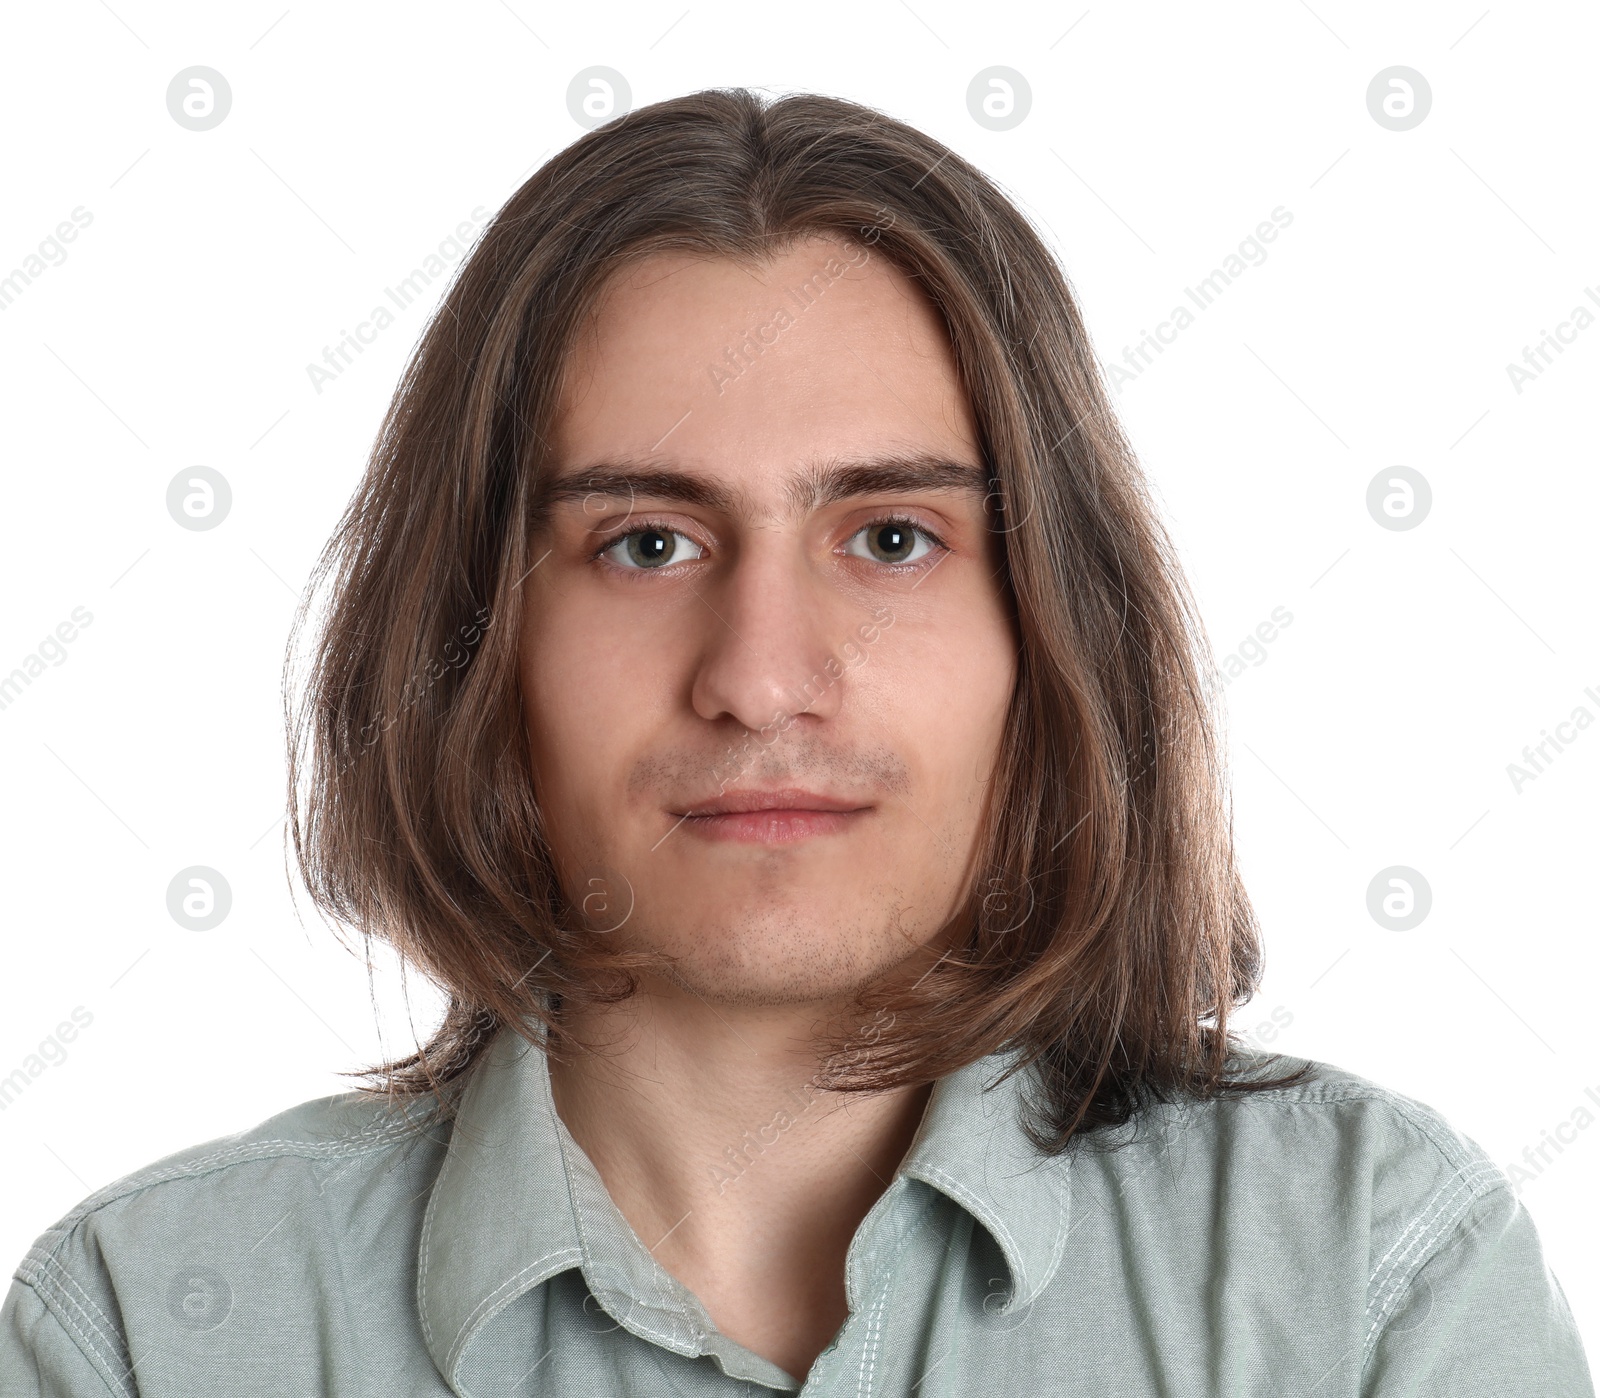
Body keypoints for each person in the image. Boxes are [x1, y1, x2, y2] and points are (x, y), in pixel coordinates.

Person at [1, 86, 1590, 1398]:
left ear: (1050, 631)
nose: (761, 682)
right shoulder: (148, 1326)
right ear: (472, 641)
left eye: (891, 539)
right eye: (645, 542)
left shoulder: (1367, 1269)